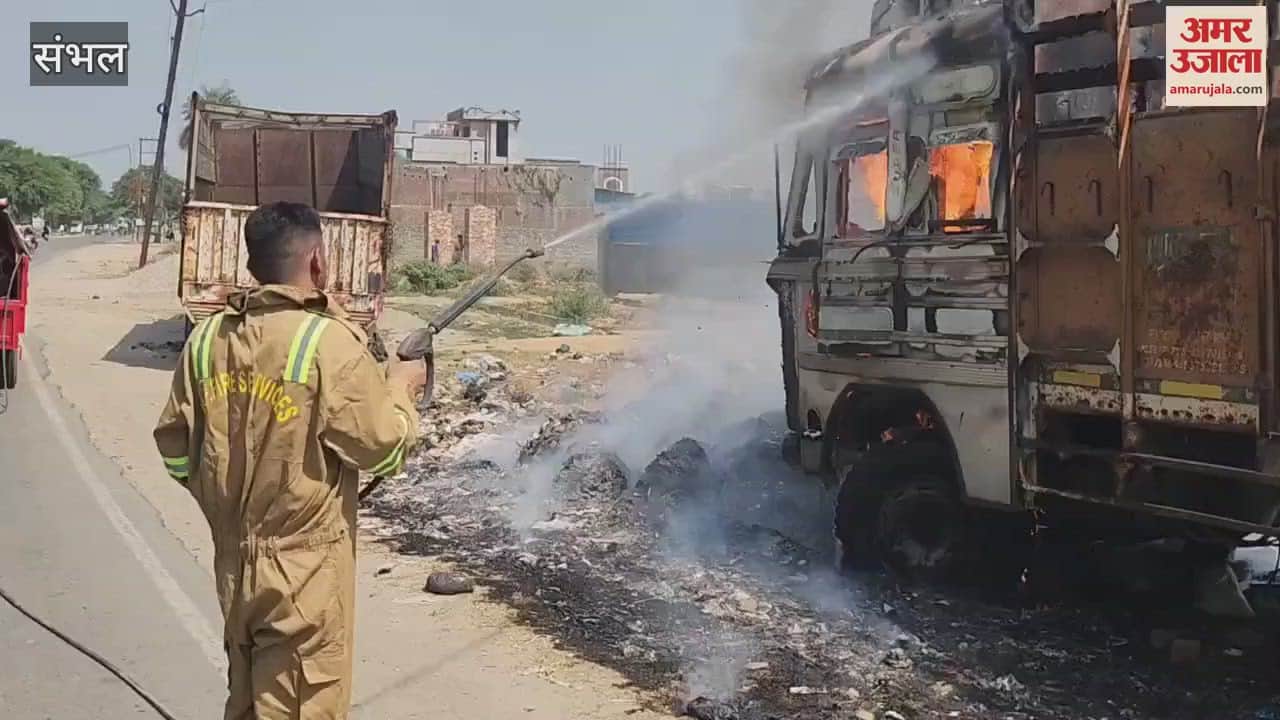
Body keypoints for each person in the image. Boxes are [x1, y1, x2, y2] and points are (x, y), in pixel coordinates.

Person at [153, 201, 427, 719]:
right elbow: (385, 449)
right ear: (318, 262)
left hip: (233, 561)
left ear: (252, 265)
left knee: (249, 701)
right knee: (302, 703)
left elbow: (175, 446)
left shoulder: (207, 338)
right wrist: (402, 389)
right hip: (305, 573)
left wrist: (226, 504)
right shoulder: (329, 343)